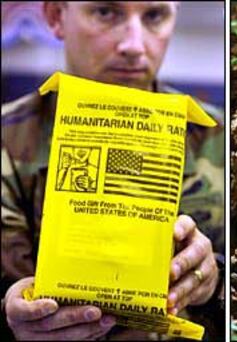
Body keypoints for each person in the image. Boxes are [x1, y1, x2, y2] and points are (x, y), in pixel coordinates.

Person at [1, 2, 224, 340]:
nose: (134, 45)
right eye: (106, 13)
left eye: (154, 16)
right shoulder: (6, 137)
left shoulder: (220, 137)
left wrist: (214, 280)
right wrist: (10, 315)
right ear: (56, 16)